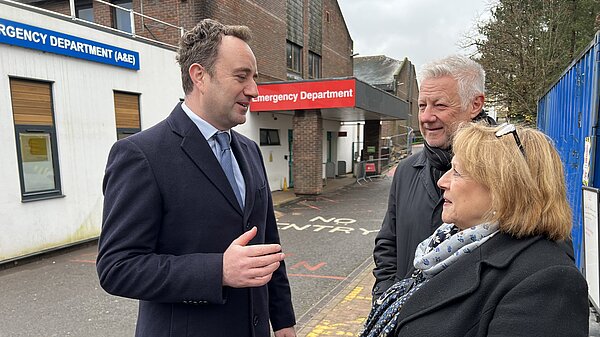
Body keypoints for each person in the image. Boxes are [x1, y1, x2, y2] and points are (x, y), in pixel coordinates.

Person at [96, 19, 296, 337]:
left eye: (254, 78)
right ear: (200, 76)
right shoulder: (141, 155)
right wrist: (217, 271)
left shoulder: (249, 150)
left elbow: (268, 245)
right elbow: (117, 267)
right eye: (241, 77)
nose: (254, 90)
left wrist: (283, 320)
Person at [360, 122, 589, 337]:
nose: (443, 181)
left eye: (458, 172)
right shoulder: (447, 247)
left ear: (504, 188)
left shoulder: (547, 282)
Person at [372, 55, 494, 298]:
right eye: (421, 105)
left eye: (439, 105)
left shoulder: (507, 172)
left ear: (475, 105)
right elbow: (388, 244)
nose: (426, 117)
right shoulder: (406, 171)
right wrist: (384, 297)